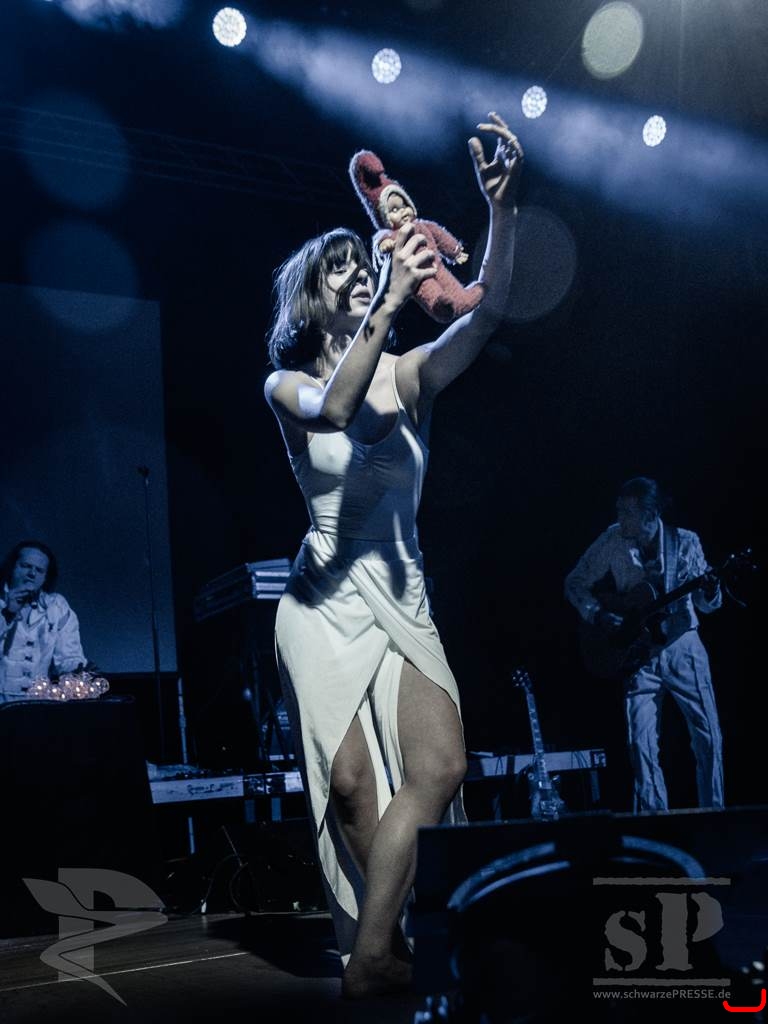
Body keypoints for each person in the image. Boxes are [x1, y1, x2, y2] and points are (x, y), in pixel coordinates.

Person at [264, 112, 523, 998]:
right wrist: (383, 297)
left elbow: (486, 317)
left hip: (402, 592)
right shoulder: (287, 384)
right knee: (348, 787)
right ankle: (388, 946)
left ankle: (375, 952)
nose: (353, 268)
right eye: (335, 266)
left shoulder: (409, 374)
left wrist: (502, 212)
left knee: (441, 766)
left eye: (357, 258)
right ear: (311, 298)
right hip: (320, 600)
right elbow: (336, 412)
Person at [564, 477, 724, 813]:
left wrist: (710, 590)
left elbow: (706, 604)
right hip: (638, 654)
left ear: (650, 516)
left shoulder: (685, 542)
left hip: (682, 648)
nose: (619, 518)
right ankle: (654, 821)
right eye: (619, 511)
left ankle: (714, 815)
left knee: (707, 737)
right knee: (640, 743)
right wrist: (597, 614)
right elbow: (575, 582)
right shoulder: (612, 539)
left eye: (627, 512)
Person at [0, 539, 88, 702]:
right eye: (26, 566)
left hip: (38, 704)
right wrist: (7, 614)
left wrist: (78, 672)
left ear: (45, 577)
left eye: (39, 570)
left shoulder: (56, 607)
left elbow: (68, 657)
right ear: (12, 567)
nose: (32, 574)